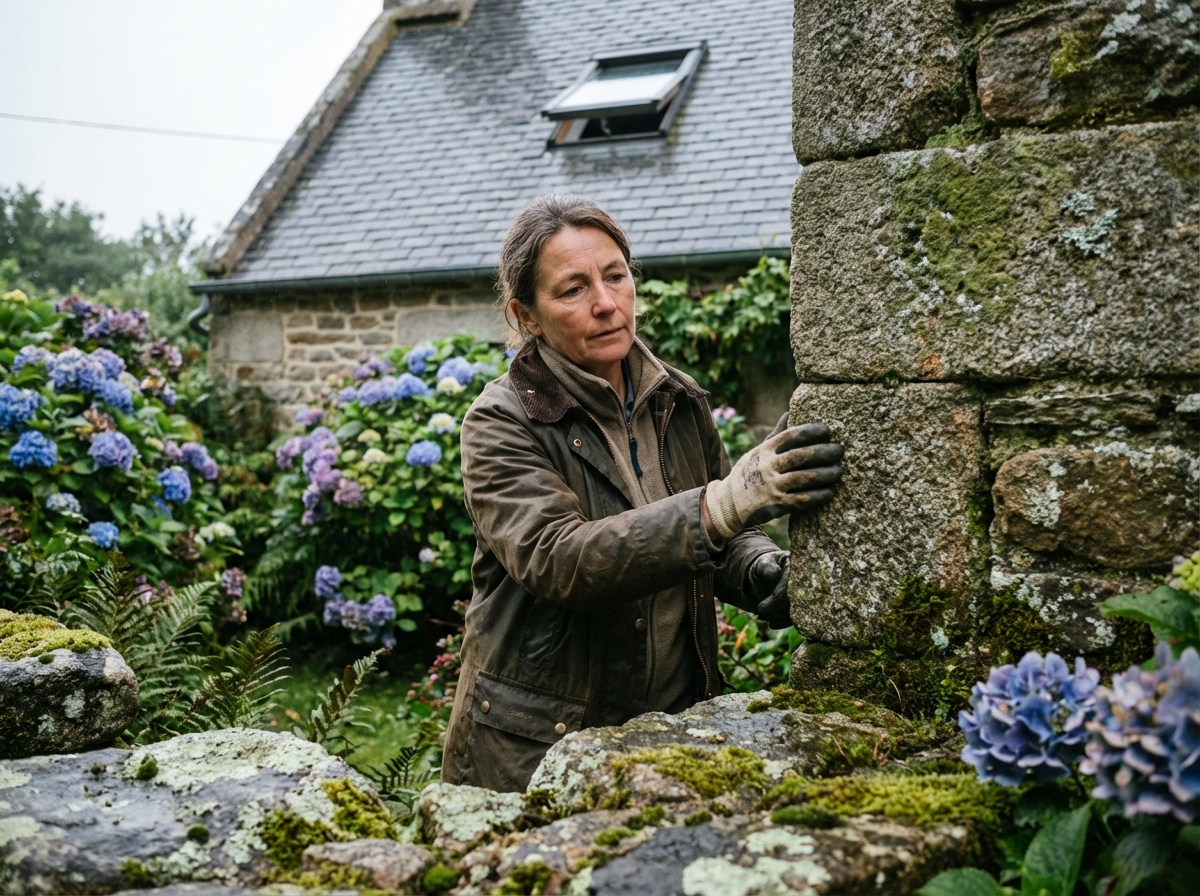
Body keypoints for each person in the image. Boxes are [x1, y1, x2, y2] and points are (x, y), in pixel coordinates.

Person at [441, 194, 844, 792]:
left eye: (615, 276)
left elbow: (720, 532)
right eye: (573, 290)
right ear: (526, 315)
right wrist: (729, 500)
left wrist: (760, 568)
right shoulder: (502, 421)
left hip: (671, 727)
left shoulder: (676, 397)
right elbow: (560, 560)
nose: (606, 304)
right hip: (542, 745)